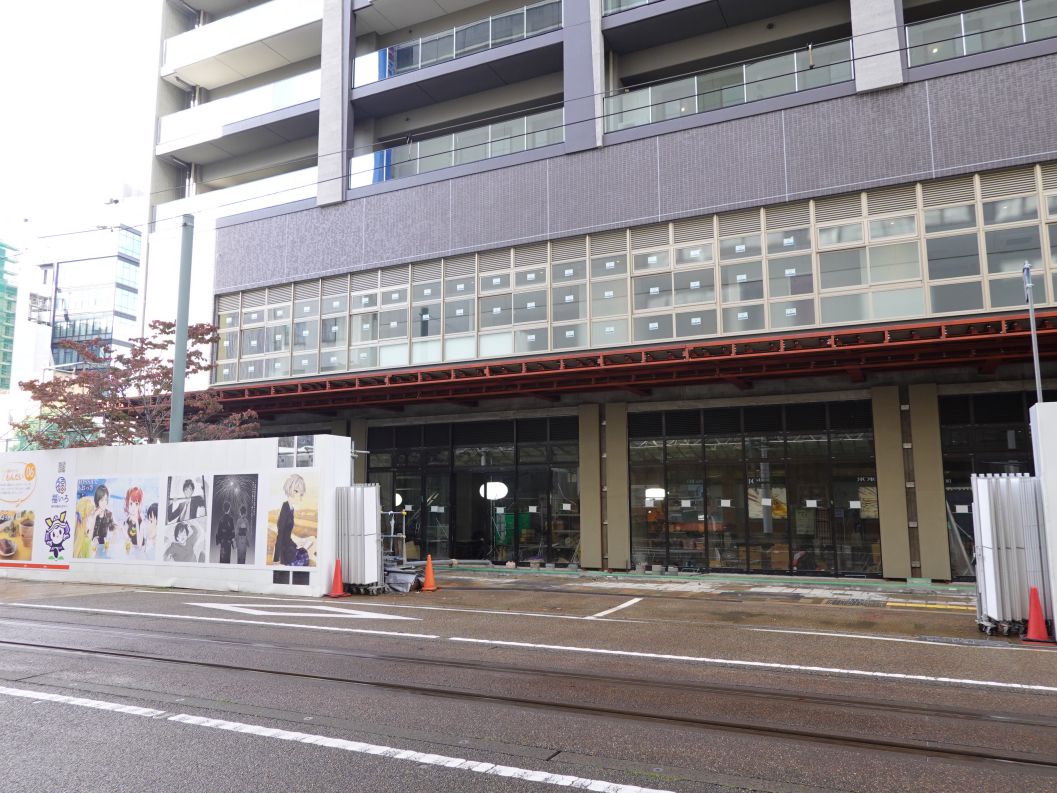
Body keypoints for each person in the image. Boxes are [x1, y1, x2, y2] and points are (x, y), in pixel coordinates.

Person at [273, 474, 305, 566]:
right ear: (294, 491)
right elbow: (280, 535)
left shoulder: (291, 509)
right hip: (285, 552)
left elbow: (287, 535)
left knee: (303, 552)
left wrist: (296, 543)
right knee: (303, 557)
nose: (301, 498)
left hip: (289, 547)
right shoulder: (285, 508)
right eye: (300, 494)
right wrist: (276, 560)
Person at [90, 485, 115, 559]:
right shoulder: (92, 513)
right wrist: (95, 516)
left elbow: (113, 531)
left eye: (106, 500)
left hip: (103, 549)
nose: (104, 503)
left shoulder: (109, 514)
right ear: (97, 500)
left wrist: (110, 540)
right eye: (102, 500)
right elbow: (89, 535)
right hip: (91, 549)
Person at [124, 487, 144, 559]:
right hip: (131, 553)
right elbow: (127, 539)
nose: (133, 507)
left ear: (139, 505)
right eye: (131, 504)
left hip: (140, 555)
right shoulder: (128, 520)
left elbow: (139, 545)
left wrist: (137, 524)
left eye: (136, 504)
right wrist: (123, 529)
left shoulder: (141, 522)